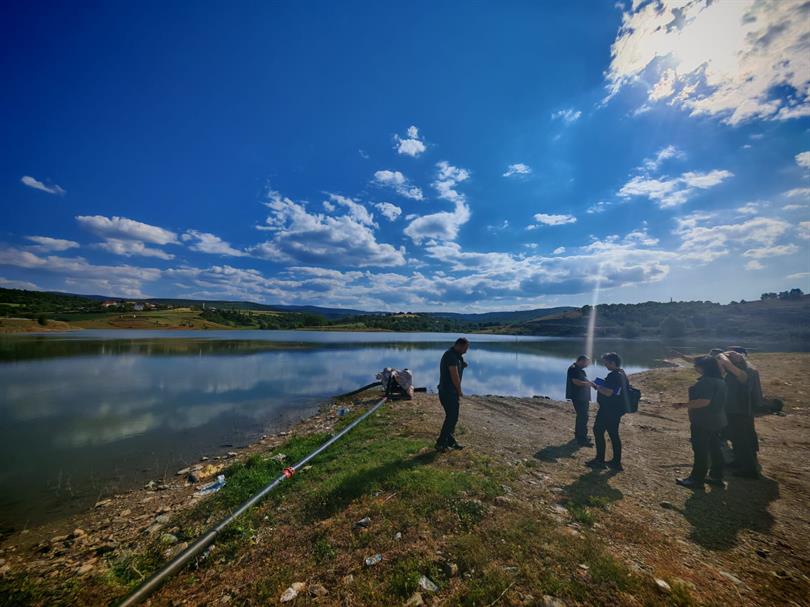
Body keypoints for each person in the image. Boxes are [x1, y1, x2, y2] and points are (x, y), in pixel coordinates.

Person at [673, 356, 727, 489]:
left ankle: (696, 479)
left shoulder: (706, 382)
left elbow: (704, 401)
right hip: (717, 420)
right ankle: (716, 476)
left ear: (704, 367)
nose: (695, 368)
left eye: (697, 365)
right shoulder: (721, 381)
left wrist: (682, 405)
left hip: (704, 421)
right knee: (715, 448)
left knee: (700, 449)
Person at [718, 351, 760, 478]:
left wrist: (722, 354)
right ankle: (739, 462)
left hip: (740, 411)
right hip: (734, 410)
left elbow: (725, 362)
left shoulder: (746, 372)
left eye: (736, 355)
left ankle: (749, 470)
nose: (734, 356)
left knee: (743, 440)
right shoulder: (733, 372)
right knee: (737, 439)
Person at [586, 352, 629, 471]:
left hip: (608, 410)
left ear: (613, 363)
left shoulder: (613, 375)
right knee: (613, 434)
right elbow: (616, 390)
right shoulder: (622, 373)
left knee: (598, 431)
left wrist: (596, 386)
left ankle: (599, 460)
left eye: (606, 363)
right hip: (616, 410)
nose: (605, 365)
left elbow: (608, 392)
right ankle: (616, 462)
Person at [436, 337, 469, 452]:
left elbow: (459, 363)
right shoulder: (450, 355)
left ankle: (450, 441)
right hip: (448, 392)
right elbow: (454, 375)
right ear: (459, 345)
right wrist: (459, 390)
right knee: (451, 418)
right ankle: (440, 443)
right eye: (465, 348)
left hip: (450, 392)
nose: (466, 351)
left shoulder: (456, 355)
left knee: (453, 418)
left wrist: (462, 364)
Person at [566, 355, 593, 446]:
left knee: (583, 416)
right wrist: (588, 384)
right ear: (580, 361)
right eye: (586, 363)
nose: (586, 365)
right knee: (583, 416)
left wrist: (590, 383)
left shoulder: (578, 369)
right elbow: (575, 382)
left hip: (582, 396)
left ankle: (580, 435)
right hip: (578, 397)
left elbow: (582, 380)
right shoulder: (573, 369)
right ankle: (581, 439)